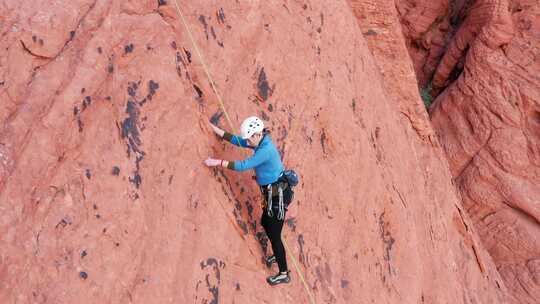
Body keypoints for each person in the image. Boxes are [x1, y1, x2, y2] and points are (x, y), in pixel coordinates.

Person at [204, 116, 294, 286]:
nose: (246, 141)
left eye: (248, 138)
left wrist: (217, 162)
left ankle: (283, 273)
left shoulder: (264, 150)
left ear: (255, 135)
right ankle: (277, 253)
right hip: (271, 194)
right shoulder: (259, 141)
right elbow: (238, 140)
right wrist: (214, 129)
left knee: (275, 236)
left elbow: (242, 166)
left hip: (278, 197)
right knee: (265, 222)